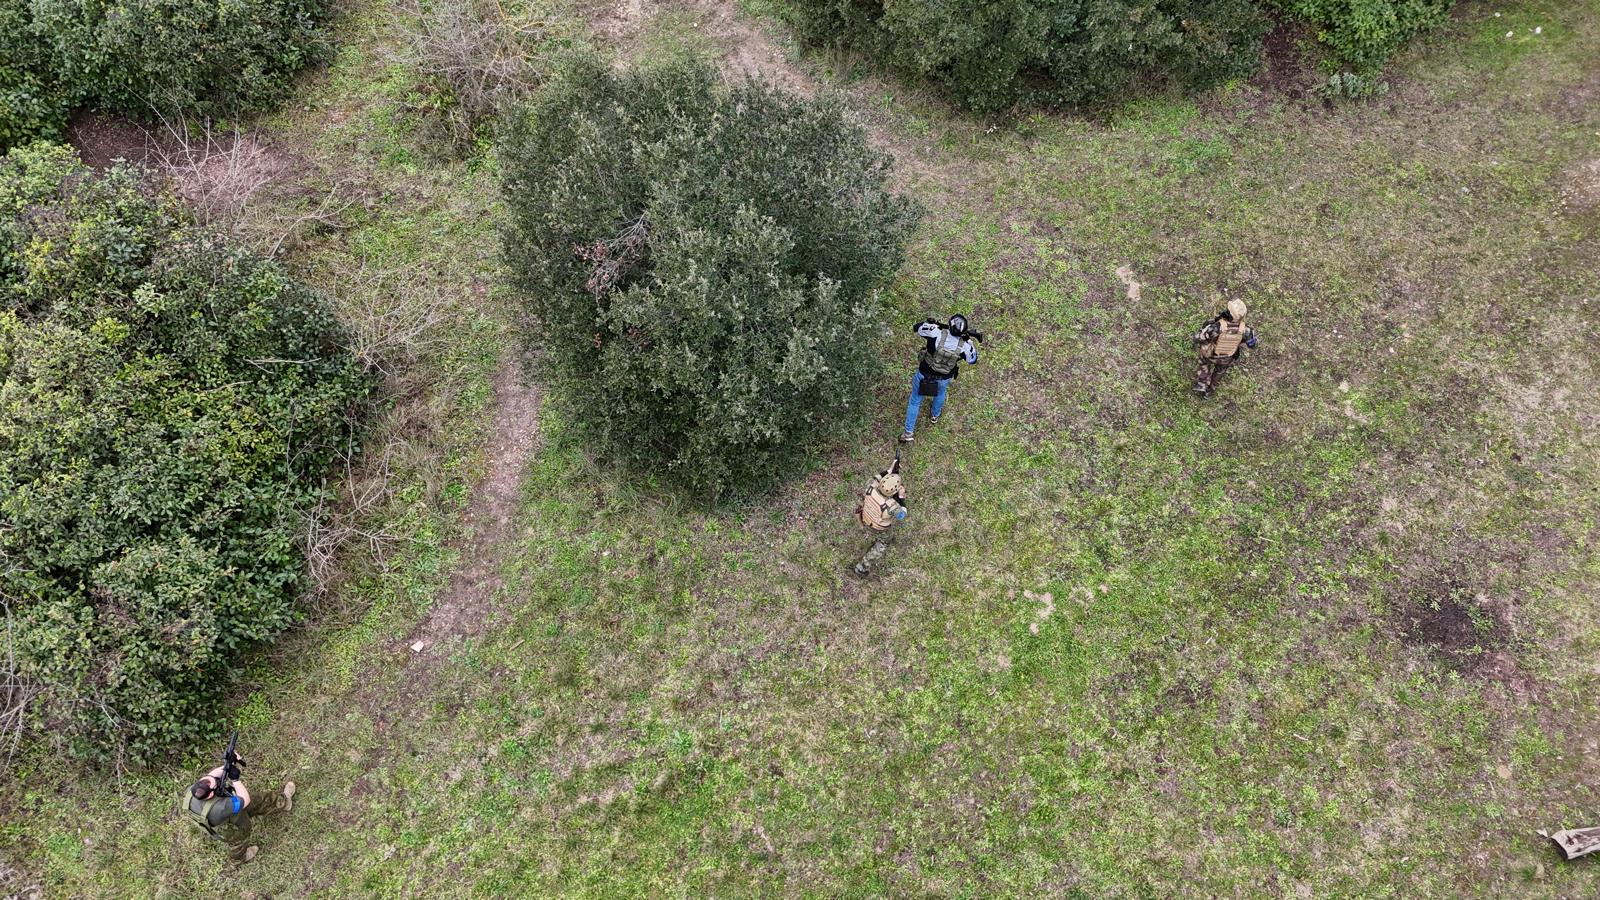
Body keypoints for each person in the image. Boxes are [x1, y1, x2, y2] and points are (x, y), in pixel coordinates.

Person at [180, 757, 296, 863]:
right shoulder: (221, 807)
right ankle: (239, 859)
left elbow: (211, 777)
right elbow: (245, 800)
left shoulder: (193, 791)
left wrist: (228, 765)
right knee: (238, 840)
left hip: (216, 816)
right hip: (230, 824)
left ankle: (283, 802)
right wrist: (236, 780)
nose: (214, 780)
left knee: (260, 800)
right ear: (210, 794)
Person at [901, 314, 981, 443]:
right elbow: (972, 360)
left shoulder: (935, 333)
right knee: (940, 393)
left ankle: (908, 432)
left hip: (924, 374)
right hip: (944, 378)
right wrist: (970, 342)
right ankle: (934, 416)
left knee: (915, 401)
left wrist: (932, 324)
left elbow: (917, 328)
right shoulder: (965, 346)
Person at [1191, 298, 1258, 396]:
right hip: (1228, 357)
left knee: (1204, 361)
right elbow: (1252, 345)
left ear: (1229, 314)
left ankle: (1202, 383)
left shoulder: (1217, 327)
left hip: (1212, 355)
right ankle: (1210, 391)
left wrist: (1206, 328)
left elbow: (1198, 338)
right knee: (1220, 372)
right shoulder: (1246, 330)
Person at [853, 457, 908, 576]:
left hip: (865, 517)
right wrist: (902, 497)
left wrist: (890, 470)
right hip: (877, 528)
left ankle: (862, 526)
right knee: (883, 543)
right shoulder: (891, 505)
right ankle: (862, 567)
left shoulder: (870, 487)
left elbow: (877, 477)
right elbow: (902, 515)